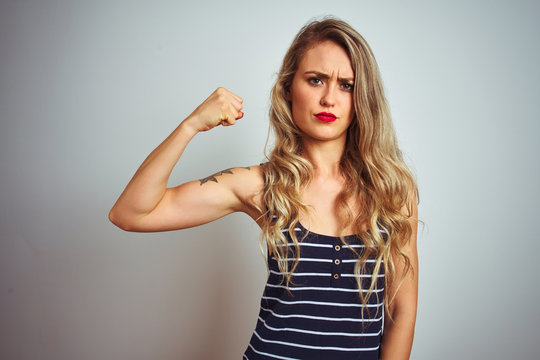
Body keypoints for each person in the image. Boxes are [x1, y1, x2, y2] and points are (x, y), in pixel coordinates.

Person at [109, 16, 419, 360]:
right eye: (315, 80)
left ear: (362, 97)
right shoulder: (261, 185)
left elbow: (401, 311)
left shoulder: (392, 191)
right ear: (289, 88)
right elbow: (130, 213)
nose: (329, 98)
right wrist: (191, 125)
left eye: (346, 84)